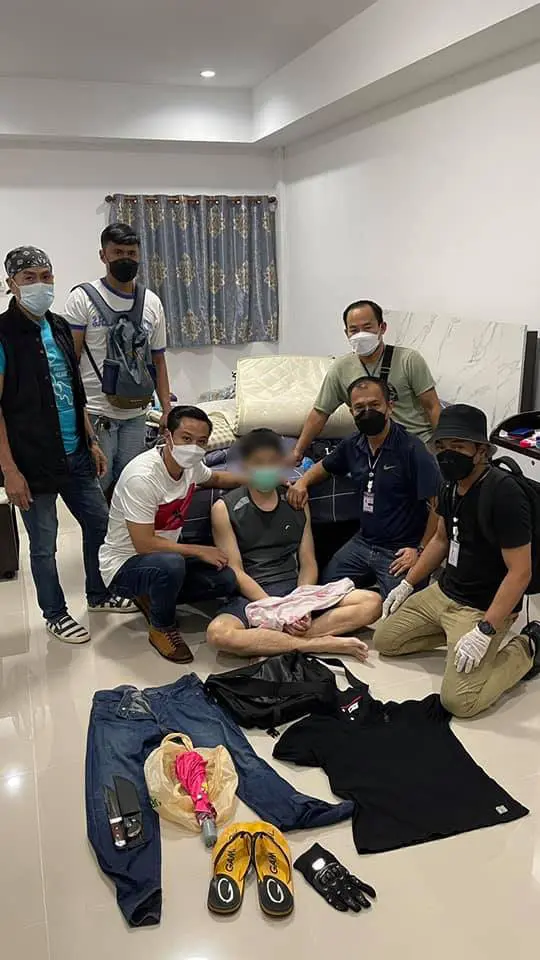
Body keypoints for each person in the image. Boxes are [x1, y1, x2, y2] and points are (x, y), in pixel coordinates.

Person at [0, 246, 134, 643]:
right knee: (44, 545)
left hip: (75, 452)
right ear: (11, 284)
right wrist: (9, 470)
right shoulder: (3, 334)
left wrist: (91, 441)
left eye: (46, 276)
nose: (40, 284)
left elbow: (74, 392)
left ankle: (99, 594)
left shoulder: (59, 326)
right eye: (29, 278)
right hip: (31, 460)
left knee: (99, 524)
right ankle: (55, 613)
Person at [374, 404, 536, 718]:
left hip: (481, 606)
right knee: (385, 640)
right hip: (444, 592)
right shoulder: (448, 484)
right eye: (442, 447)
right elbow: (440, 539)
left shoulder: (504, 493)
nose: (448, 455)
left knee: (460, 702)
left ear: (481, 451)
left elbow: (520, 572)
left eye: (459, 447)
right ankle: (455, 639)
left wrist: (485, 630)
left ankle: (528, 647)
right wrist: (407, 584)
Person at [206, 428, 381, 659]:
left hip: (296, 590)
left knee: (372, 602)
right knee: (218, 634)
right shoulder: (224, 508)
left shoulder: (296, 500)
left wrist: (300, 606)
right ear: (245, 465)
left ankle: (280, 641)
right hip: (253, 594)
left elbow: (308, 561)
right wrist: (277, 610)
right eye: (258, 463)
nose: (266, 469)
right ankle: (318, 644)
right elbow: (236, 571)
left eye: (272, 462)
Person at [99, 405, 243, 664]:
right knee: (171, 564)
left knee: (225, 579)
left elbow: (216, 479)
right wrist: (199, 550)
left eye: (201, 442)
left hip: (161, 556)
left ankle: (152, 595)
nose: (194, 448)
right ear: (168, 436)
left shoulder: (190, 466)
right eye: (186, 438)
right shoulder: (142, 477)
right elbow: (144, 544)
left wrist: (256, 479)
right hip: (123, 566)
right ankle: (161, 627)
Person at [288, 377, 440, 598]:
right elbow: (326, 466)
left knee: (400, 611)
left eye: (375, 405)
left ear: (390, 407)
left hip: (400, 550)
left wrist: (420, 550)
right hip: (364, 541)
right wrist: (303, 482)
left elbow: (438, 503)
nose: (367, 412)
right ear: (351, 412)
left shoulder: (411, 448)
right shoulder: (353, 443)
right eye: (360, 407)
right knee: (323, 594)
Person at [64, 222, 172, 494]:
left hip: (137, 412)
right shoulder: (82, 299)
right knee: (97, 487)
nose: (126, 259)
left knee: (130, 485)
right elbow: (69, 362)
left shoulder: (152, 302)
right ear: (103, 256)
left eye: (131, 253)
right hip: (96, 412)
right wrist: (78, 414)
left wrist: (167, 410)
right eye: (118, 252)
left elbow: (159, 361)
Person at [290, 299, 441, 463]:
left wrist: (443, 448)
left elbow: (432, 406)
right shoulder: (341, 368)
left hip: (416, 443)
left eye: (367, 327)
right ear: (346, 333)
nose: (361, 335)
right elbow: (320, 412)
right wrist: (297, 452)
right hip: (372, 446)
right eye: (354, 330)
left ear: (382, 327)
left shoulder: (408, 360)